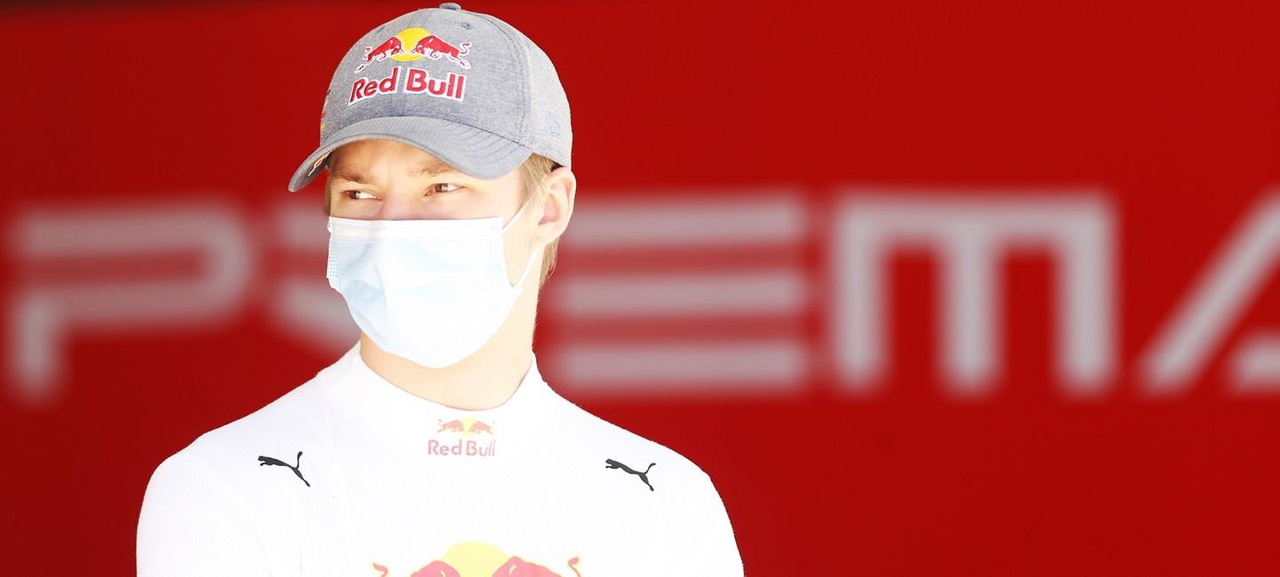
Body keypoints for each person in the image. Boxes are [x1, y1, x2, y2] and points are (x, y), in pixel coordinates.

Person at [136, 4, 743, 576]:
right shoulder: (223, 491)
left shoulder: (663, 507)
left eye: (442, 188)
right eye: (360, 193)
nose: (393, 229)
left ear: (549, 207)